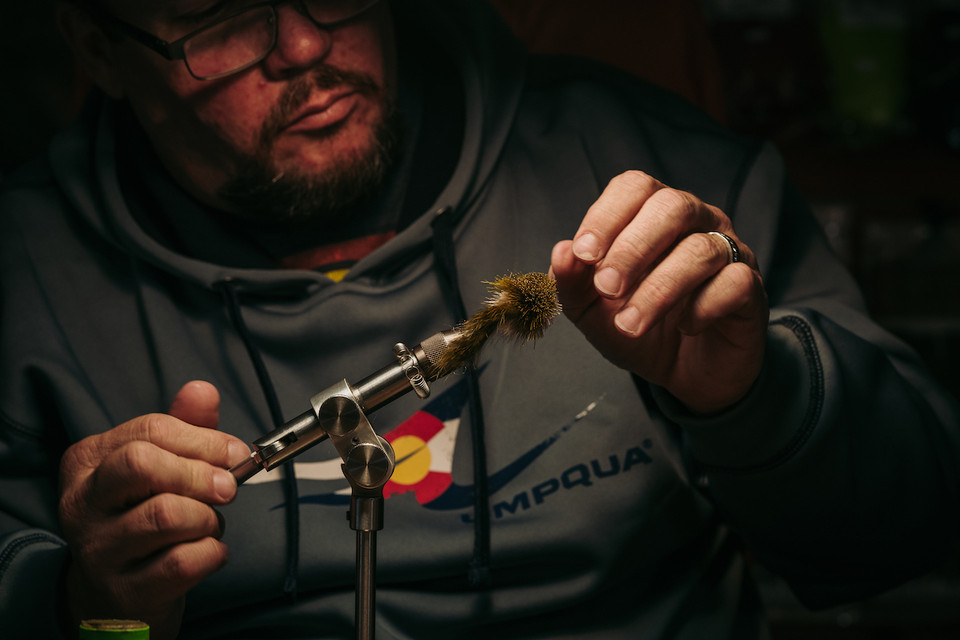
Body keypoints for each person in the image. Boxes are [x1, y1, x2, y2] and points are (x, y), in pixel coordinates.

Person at [1, 0, 957, 638]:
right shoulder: (24, 280)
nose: (302, 47)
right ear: (99, 47)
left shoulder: (653, 167)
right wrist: (87, 610)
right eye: (217, 13)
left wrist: (756, 396)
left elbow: (905, 534)